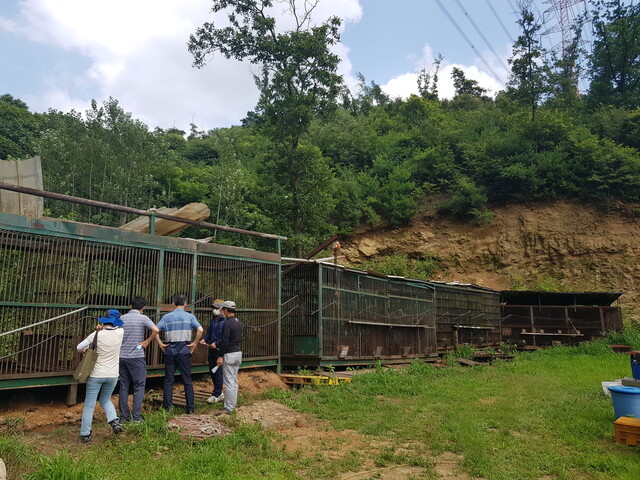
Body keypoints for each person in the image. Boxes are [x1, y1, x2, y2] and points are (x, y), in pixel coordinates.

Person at [76, 309, 125, 444]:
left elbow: (79, 347)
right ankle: (114, 421)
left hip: (96, 375)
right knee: (105, 400)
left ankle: (85, 436)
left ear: (104, 320)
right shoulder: (121, 333)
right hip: (113, 375)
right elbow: (119, 327)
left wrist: (97, 332)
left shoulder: (95, 335)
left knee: (89, 406)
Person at [156, 294, 203, 414]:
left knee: (169, 380)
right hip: (184, 349)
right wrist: (194, 343)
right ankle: (190, 408)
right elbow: (200, 330)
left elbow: (155, 330)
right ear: (186, 303)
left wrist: (161, 344)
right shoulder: (190, 316)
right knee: (187, 380)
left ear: (173, 304)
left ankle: (168, 408)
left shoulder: (166, 317)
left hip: (170, 349)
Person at [118, 296, 159, 423]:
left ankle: (124, 417)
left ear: (130, 306)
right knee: (139, 386)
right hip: (137, 355)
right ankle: (136, 417)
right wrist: (146, 342)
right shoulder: (143, 318)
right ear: (143, 308)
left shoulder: (122, 318)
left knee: (124, 386)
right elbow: (156, 330)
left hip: (122, 356)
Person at [214, 300, 242, 415]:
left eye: (223, 309)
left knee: (229, 382)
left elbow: (225, 341)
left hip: (229, 354)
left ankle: (229, 408)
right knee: (234, 381)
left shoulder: (227, 323)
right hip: (238, 353)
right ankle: (232, 404)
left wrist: (220, 356)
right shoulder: (238, 322)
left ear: (225, 310)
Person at [199, 298, 225, 404]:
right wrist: (205, 339)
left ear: (222, 309)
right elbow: (209, 332)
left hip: (219, 350)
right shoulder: (213, 320)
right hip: (211, 349)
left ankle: (217, 394)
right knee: (212, 371)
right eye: (214, 308)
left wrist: (217, 343)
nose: (214, 310)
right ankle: (219, 393)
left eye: (217, 308)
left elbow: (225, 337)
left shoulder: (225, 321)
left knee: (218, 372)